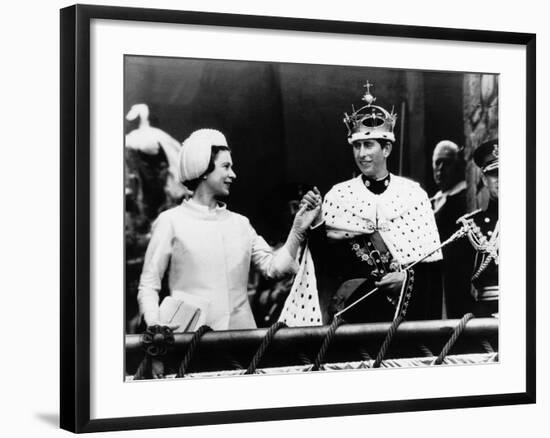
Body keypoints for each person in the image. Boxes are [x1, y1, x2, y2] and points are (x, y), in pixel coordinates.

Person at [279, 82, 442, 326]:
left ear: (386, 148)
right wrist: (318, 221)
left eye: (369, 145)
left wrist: (406, 280)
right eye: (356, 146)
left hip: (404, 315)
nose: (362, 154)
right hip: (357, 314)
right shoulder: (338, 195)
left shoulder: (413, 195)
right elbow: (327, 267)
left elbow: (433, 268)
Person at [137, 128, 321, 334]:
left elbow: (274, 269)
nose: (233, 174)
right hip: (188, 341)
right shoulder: (170, 221)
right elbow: (148, 285)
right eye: (226, 167)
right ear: (204, 169)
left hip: (241, 340)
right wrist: (154, 322)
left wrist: (297, 231)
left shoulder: (240, 223)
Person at [430, 140, 475, 318]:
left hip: (458, 279)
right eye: (437, 163)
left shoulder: (464, 198)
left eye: (447, 163)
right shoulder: (433, 201)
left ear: (459, 165)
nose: (440, 169)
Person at [462, 138, 499, 317]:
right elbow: (458, 296)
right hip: (487, 322)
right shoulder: (470, 228)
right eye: (495, 174)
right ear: (484, 179)